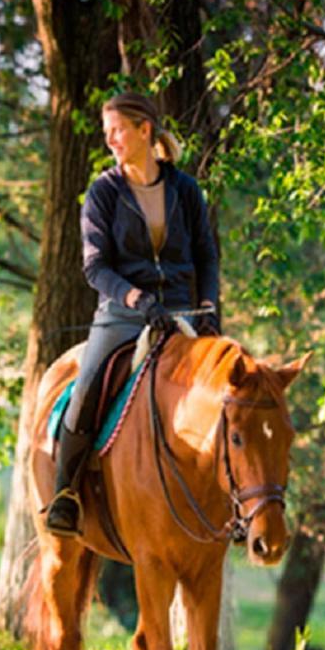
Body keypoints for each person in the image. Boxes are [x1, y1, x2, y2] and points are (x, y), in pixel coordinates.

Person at [45, 92, 221, 537]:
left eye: (118, 130)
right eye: (107, 134)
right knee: (85, 389)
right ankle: (66, 493)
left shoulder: (184, 189)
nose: (112, 141)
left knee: (232, 393)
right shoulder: (103, 193)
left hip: (184, 310)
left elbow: (206, 255)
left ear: (145, 130)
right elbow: (94, 267)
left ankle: (233, 502)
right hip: (124, 314)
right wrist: (138, 300)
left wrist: (210, 309)